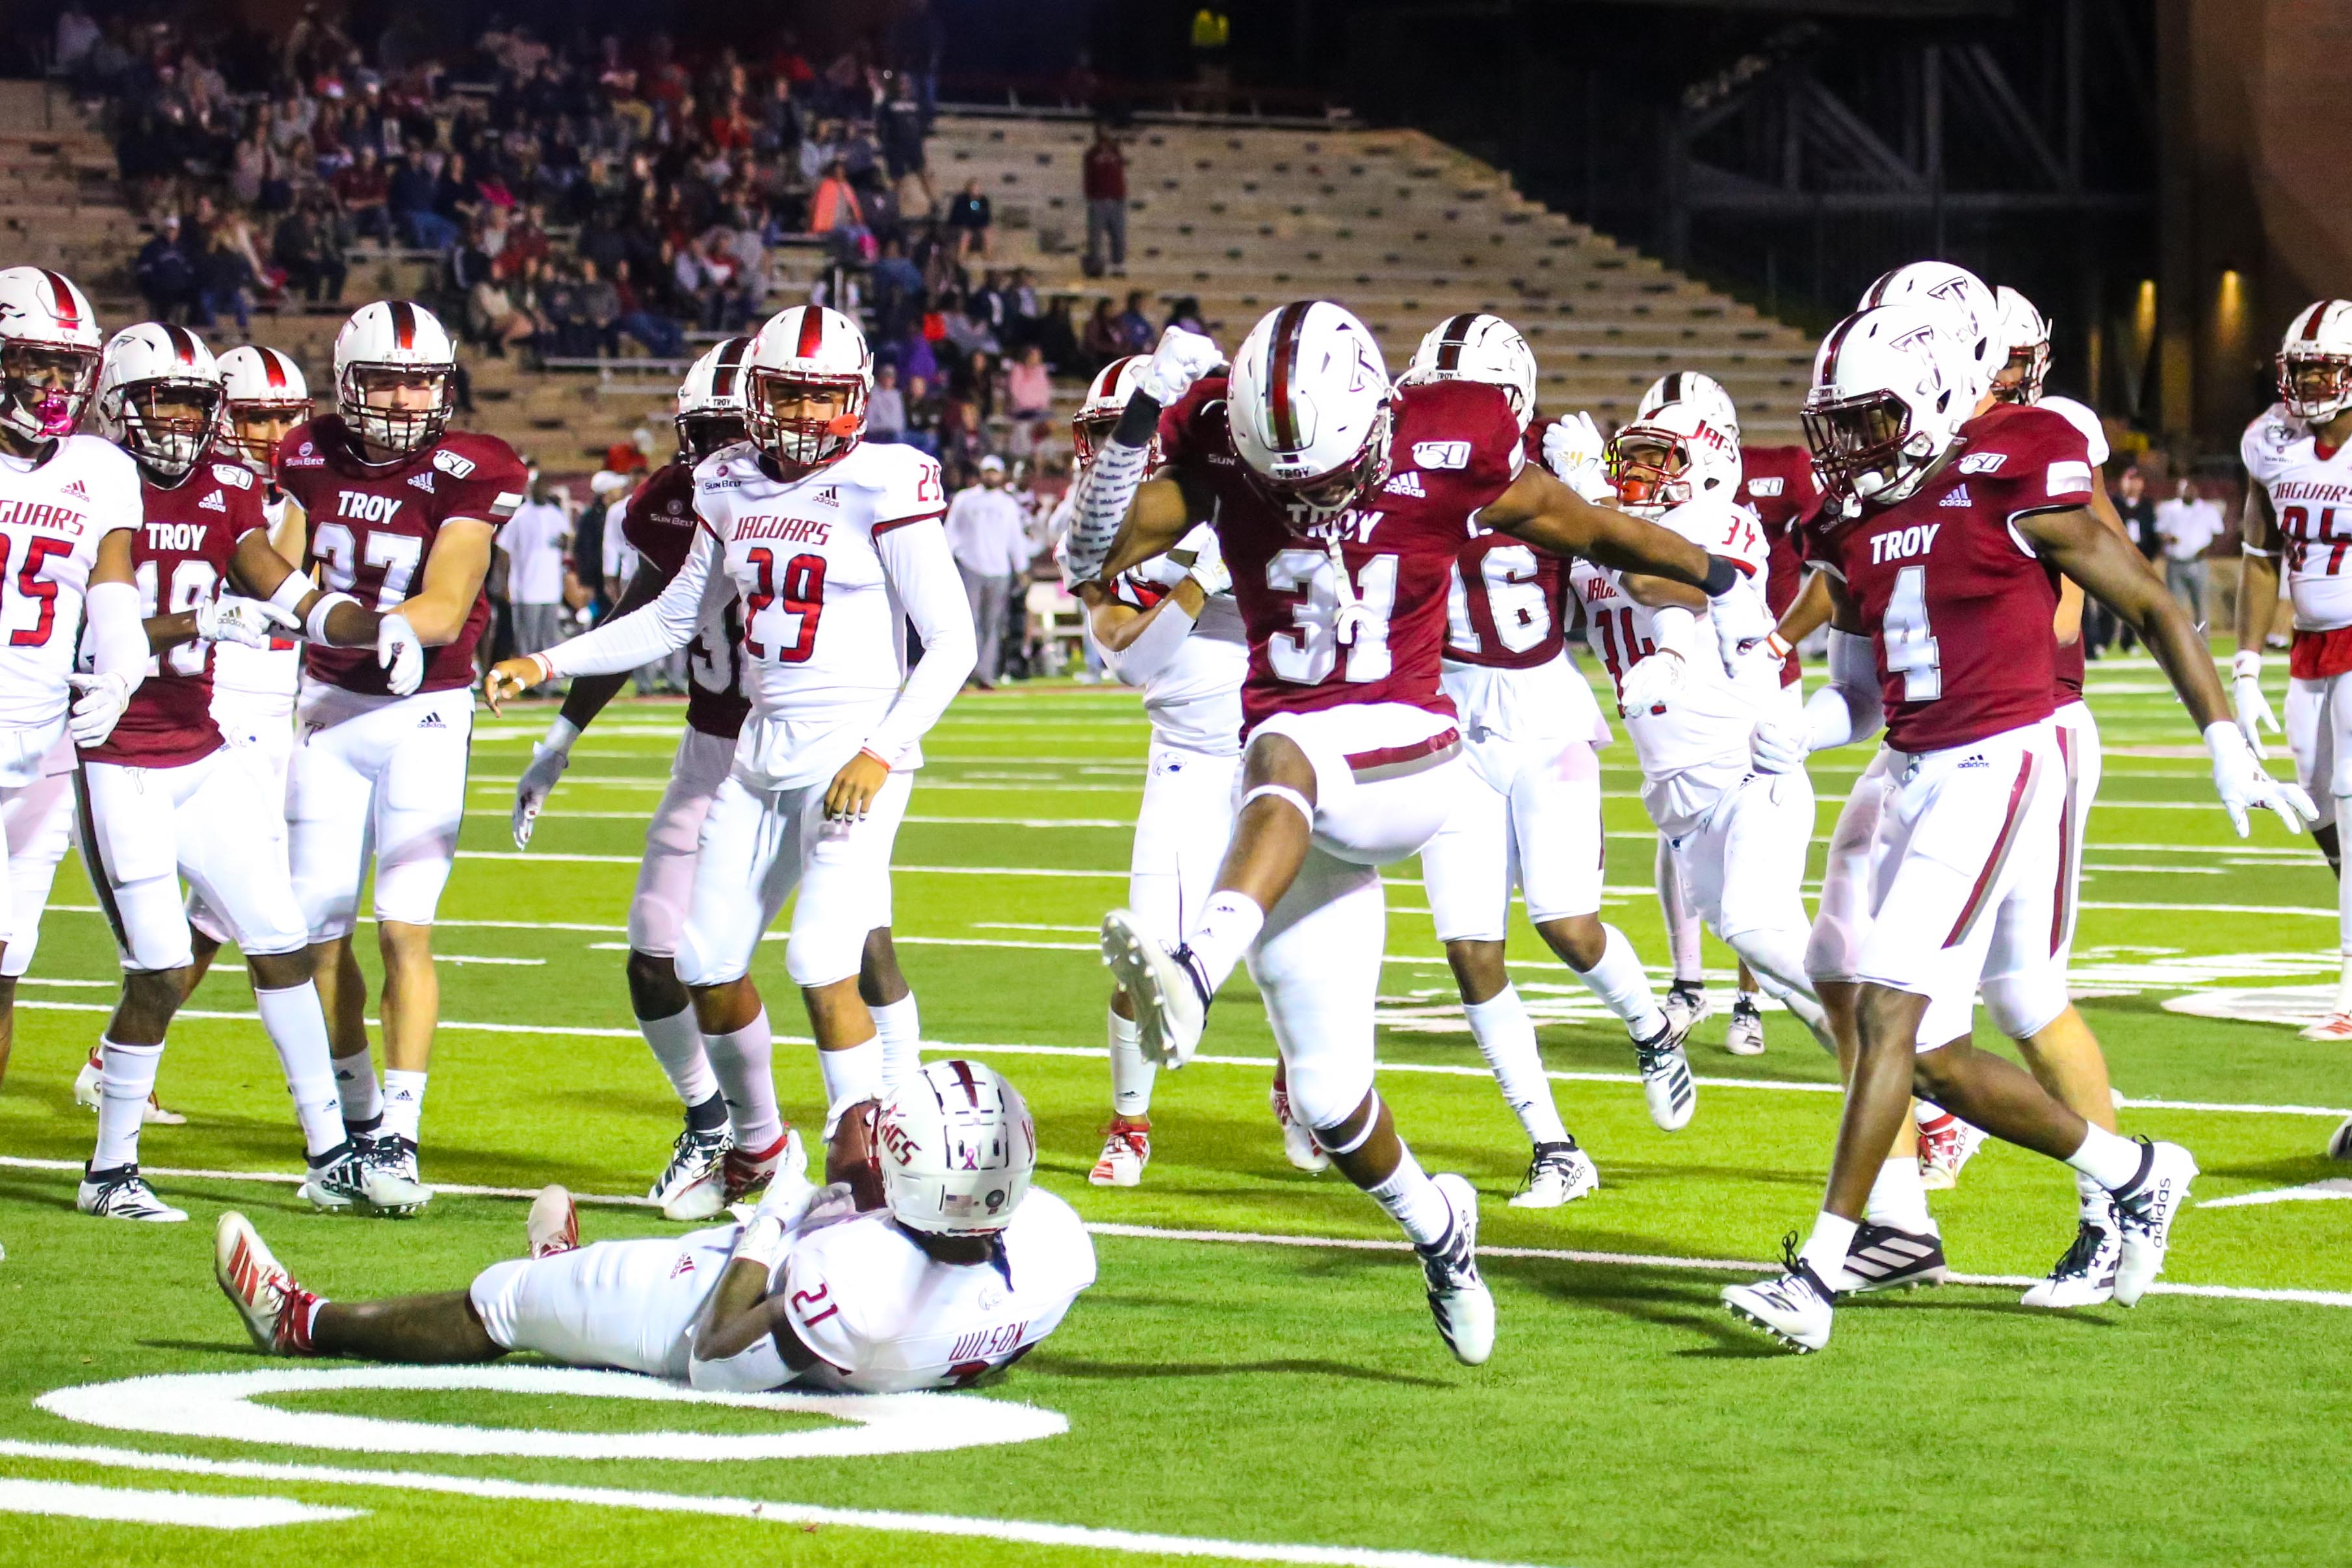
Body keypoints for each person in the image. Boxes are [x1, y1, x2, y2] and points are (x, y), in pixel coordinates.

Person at [1070, 304, 1773, 1363]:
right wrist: (1137, 424)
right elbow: (1087, 548)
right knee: (1327, 1092)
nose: (1309, 499)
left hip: (1410, 744)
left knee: (1285, 753)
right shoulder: (1223, 440)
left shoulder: (1450, 438)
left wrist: (1716, 578)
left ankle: (1191, 969)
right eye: (1285, 480)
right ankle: (1441, 1233)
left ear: (1374, 415)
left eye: (1327, 471)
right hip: (1296, 798)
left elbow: (1587, 527)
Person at [1720, 297, 2308, 1354]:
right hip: (1907, 763)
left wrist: (2223, 733)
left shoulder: (2009, 477)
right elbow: (1863, 691)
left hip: (1997, 758)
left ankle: (1815, 1270)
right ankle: (2127, 1170)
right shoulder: (1859, 521)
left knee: (1920, 1006)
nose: (1844, 446)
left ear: (1934, 401)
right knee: (1896, 1022)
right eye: (1837, 423)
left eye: (1867, 420)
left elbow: (2154, 602)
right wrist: (1793, 729)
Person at [484, 305, 974, 1212]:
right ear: (754, 391)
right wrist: (546, 662)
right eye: (783, 389)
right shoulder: (725, 483)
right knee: (704, 961)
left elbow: (953, 640)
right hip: (758, 756)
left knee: (822, 957)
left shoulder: (886, 481)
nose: (798, 411)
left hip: (853, 752)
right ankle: (757, 1147)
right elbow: (675, 617)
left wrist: (881, 748)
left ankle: (866, 1172)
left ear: (856, 400)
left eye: (818, 395)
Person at [73, 321, 428, 1223]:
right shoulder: (87, 483)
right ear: (120, 402)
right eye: (165, 400)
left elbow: (284, 590)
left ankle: (330, 1154)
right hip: (118, 759)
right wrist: (196, 625)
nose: (182, 420)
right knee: (155, 969)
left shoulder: (228, 485)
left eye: (196, 402)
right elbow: (83, 634)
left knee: (279, 938)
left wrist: (370, 623)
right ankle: (110, 1170)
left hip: (201, 752)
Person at [214, 1060, 1096, 1394]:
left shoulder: (854, 1277)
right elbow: (988, 1337)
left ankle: (299, 1323)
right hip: (850, 1290)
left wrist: (777, 1214)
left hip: (708, 1318)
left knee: (507, 1304)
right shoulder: (1054, 1244)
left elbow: (717, 1360)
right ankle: (574, 1275)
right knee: (631, 1266)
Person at [1403, 315, 1681, 1200]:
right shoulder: (1402, 476)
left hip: (1544, 715)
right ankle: (1553, 1144)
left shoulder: (1542, 480)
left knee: (1565, 925)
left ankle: (1650, 1027)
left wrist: (1593, 487)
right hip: (1448, 720)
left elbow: (1633, 569)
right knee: (1469, 949)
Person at [272, 299, 530, 1209]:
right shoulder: (307, 453)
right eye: (385, 378)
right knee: (319, 930)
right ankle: (353, 1124)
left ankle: (401, 1138)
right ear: (348, 382)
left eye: (421, 378)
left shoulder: (473, 466)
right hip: (327, 705)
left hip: (424, 707)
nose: (406, 395)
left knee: (403, 927)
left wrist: (392, 628)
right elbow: (284, 572)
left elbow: (451, 592)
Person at [1055, 358, 1280, 1186]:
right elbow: (1132, 659)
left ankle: (1301, 1083)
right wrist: (1198, 583)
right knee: (1145, 956)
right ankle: (1130, 1124)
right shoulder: (1096, 530)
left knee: (1290, 954)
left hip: (1280, 750)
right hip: (1187, 757)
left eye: (1131, 435)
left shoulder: (1245, 495)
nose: (1112, 454)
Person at [1573, 392, 1838, 1065]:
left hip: (1748, 771)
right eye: (1629, 457)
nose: (1638, 473)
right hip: (1681, 797)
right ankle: (1911, 1091)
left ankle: (1911, 1059)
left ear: (1708, 468)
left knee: (1754, 927)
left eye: (1658, 459)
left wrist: (1585, 515)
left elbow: (1673, 588)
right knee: (1787, 966)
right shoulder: (1598, 537)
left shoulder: (1723, 521)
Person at [0, 268, 154, 1133]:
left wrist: (123, 668)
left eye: (69, 367)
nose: (55, 386)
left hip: (45, 753)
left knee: (9, 965)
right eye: (34, 362)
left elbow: (113, 589)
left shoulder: (99, 467)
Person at [2236, 298, 2352, 1043]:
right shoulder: (2270, 440)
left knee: (2349, 792)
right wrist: (2246, 662)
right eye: (2301, 369)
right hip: (2309, 642)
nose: (2309, 385)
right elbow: (2258, 557)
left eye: (2324, 369)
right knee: (2318, 805)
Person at [945, 454, 1029, 690]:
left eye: (995, 472)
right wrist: (946, 561)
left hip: (999, 569)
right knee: (967, 623)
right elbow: (951, 532)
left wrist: (1021, 568)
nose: (991, 476)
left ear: (1001, 475)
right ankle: (962, 673)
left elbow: (1015, 539)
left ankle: (985, 674)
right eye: (987, 471)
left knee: (992, 625)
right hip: (969, 566)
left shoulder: (1008, 503)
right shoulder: (964, 499)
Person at [499, 470, 573, 660]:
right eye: (537, 485)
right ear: (530, 488)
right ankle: (528, 683)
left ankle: (549, 685)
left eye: (544, 485)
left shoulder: (556, 515)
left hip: (551, 588)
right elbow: (504, 551)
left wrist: (565, 542)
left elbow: (566, 543)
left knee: (549, 639)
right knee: (527, 639)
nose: (541, 489)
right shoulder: (520, 516)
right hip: (526, 588)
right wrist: (505, 583)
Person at [2155, 473, 2223, 621]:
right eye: (2184, 489)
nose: (2187, 492)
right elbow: (2159, 531)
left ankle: (2201, 643)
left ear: (2196, 490)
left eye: (2190, 488)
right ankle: (2177, 642)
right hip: (2175, 562)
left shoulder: (2207, 509)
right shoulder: (2169, 509)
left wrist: (2208, 549)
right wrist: (2168, 538)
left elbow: (2218, 533)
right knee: (2175, 606)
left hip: (2198, 562)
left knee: (2201, 605)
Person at [1082, 124, 1127, 278]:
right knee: (1096, 237)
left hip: (1116, 200)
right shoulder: (1091, 154)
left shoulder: (1116, 152)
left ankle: (1118, 266)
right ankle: (1095, 267)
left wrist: (1121, 195)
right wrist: (1090, 196)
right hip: (1098, 199)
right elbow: (1088, 176)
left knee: (1118, 236)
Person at [945, 178, 990, 259]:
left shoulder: (983, 200)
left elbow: (986, 217)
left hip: (976, 226)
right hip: (958, 227)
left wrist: (981, 225)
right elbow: (958, 217)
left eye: (979, 188)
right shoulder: (961, 200)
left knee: (988, 232)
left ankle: (987, 258)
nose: (977, 190)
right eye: (975, 188)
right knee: (966, 234)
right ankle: (961, 259)